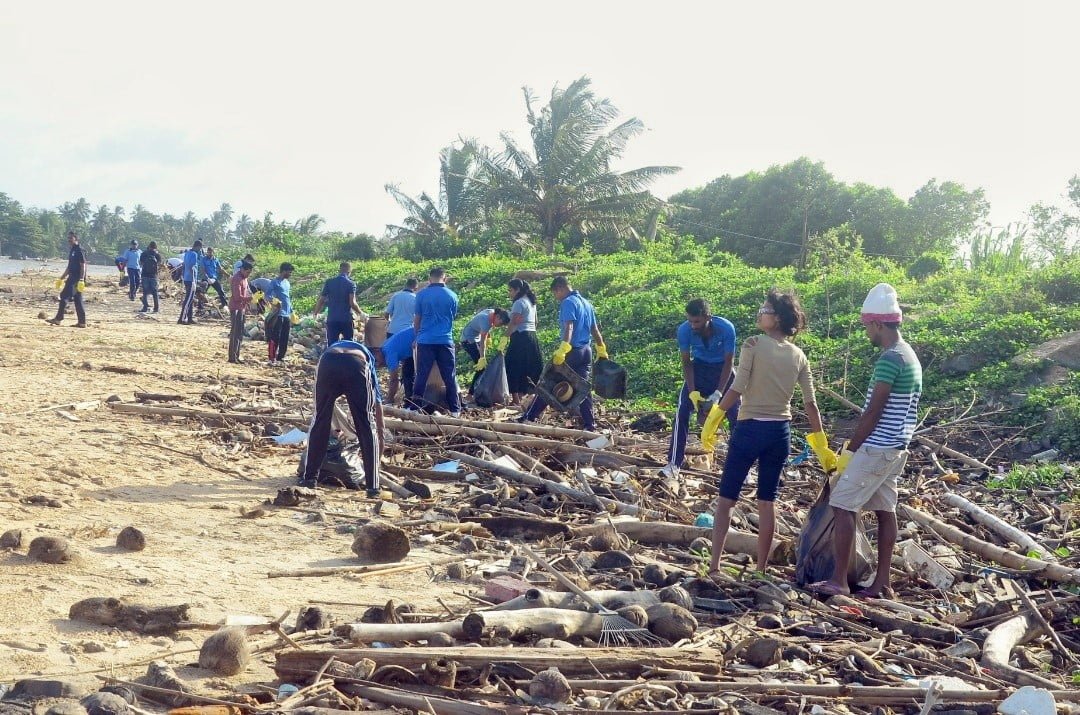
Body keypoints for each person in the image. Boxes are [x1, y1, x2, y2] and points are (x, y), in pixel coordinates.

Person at [810, 284, 922, 598]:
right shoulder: (908, 354)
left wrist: (851, 448)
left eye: (866, 327)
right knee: (886, 510)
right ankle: (882, 582)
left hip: (879, 446)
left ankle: (839, 581)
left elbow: (874, 411)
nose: (866, 333)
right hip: (897, 447)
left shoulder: (890, 359)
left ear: (877, 324)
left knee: (843, 504)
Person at [707, 290, 828, 577]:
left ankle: (714, 565)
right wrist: (821, 445)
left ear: (777, 318)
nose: (761, 313)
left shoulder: (753, 344)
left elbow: (737, 388)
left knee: (726, 500)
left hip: (749, 429)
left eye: (766, 309)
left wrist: (714, 418)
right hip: (779, 434)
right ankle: (760, 569)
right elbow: (810, 403)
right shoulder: (799, 356)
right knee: (767, 501)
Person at [661, 299, 739, 480]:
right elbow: (686, 362)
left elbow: (729, 362)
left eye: (696, 321)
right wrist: (693, 391)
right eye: (690, 321)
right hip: (699, 369)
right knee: (681, 413)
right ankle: (674, 463)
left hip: (723, 371)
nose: (693, 325)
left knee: (736, 416)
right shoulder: (684, 331)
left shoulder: (726, 328)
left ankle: (740, 468)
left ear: (708, 317)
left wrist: (719, 393)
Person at [519, 276, 608, 432]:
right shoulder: (587, 303)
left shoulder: (568, 302)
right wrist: (601, 348)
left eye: (555, 293)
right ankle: (590, 424)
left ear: (559, 288)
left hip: (572, 351)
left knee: (548, 384)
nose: (556, 297)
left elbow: (569, 327)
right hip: (586, 351)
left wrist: (563, 348)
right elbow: (595, 330)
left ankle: (529, 416)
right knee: (583, 389)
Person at [298, 339, 385, 498]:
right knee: (365, 424)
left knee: (320, 420)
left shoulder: (331, 349)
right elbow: (377, 401)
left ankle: (309, 479)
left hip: (328, 363)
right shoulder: (368, 359)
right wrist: (381, 434)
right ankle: (373, 488)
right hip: (355, 364)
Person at [409, 267, 461, 417]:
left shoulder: (421, 295)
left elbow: (417, 320)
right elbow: (452, 317)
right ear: (444, 278)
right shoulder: (452, 296)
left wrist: (417, 336)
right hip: (445, 340)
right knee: (449, 375)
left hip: (425, 340)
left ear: (429, 279)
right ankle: (455, 409)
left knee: (421, 375)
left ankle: (414, 407)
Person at [504, 278, 543, 405]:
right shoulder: (532, 303)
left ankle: (515, 398)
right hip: (532, 336)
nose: (509, 293)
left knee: (513, 366)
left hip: (520, 337)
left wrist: (505, 337)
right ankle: (523, 395)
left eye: (510, 290)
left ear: (517, 290)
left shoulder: (519, 303)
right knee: (528, 366)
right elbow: (536, 322)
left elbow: (514, 322)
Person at [459, 307, 510, 393]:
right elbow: (483, 342)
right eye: (500, 324)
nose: (499, 326)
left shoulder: (491, 312)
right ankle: (470, 394)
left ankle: (478, 390)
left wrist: (488, 336)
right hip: (468, 340)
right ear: (497, 317)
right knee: (481, 368)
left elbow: (480, 314)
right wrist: (482, 358)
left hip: (476, 338)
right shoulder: (485, 322)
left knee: (483, 368)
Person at [315, 262, 364, 344]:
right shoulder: (350, 284)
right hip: (346, 319)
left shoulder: (329, 282)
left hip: (332, 319)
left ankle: (332, 356)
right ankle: (347, 357)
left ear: (339, 270)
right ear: (349, 271)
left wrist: (316, 313)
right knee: (348, 343)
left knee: (332, 343)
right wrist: (361, 313)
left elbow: (321, 300)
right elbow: (352, 303)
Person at [46, 231, 87, 328]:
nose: (69, 240)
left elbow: (83, 266)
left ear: (76, 239)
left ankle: (58, 319)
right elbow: (69, 267)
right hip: (71, 276)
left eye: (71, 238)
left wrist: (81, 279)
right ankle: (82, 323)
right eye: (68, 238)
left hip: (76, 278)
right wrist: (61, 278)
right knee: (78, 300)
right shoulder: (72, 250)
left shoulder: (80, 250)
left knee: (64, 296)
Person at [266, 262, 295, 365]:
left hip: (286, 313)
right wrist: (274, 301)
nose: (290, 274)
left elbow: (287, 297)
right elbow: (267, 295)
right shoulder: (274, 282)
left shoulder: (287, 283)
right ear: (284, 271)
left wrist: (292, 311)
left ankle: (281, 357)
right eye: (289, 272)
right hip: (278, 313)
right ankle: (272, 357)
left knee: (285, 336)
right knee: (275, 336)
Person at [380, 326, 416, 404]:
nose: (379, 364)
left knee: (408, 375)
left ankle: (410, 402)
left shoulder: (389, 354)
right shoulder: (385, 346)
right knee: (407, 372)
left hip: (419, 339)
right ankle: (409, 398)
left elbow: (394, 380)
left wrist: (389, 399)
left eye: (377, 361)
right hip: (416, 336)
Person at [228, 262, 254, 363]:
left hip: (241, 308)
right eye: (247, 272)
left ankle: (236, 355)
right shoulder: (237, 278)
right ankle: (232, 357)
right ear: (242, 269)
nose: (248, 274)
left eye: (250, 273)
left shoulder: (244, 279)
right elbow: (237, 297)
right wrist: (251, 298)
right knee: (235, 333)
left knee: (240, 333)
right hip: (235, 308)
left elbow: (245, 293)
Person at [178, 240, 203, 325]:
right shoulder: (194, 254)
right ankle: (182, 318)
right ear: (198, 247)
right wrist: (193, 280)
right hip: (191, 279)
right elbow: (191, 267)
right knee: (188, 300)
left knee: (190, 299)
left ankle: (189, 318)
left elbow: (184, 266)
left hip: (186, 278)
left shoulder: (187, 253)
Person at [139, 241, 162, 313]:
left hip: (145, 275)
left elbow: (141, 263)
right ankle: (156, 308)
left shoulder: (144, 253)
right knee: (155, 292)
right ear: (156, 247)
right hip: (153, 276)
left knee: (145, 292)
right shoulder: (157, 255)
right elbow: (159, 264)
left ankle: (145, 308)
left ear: (149, 246)